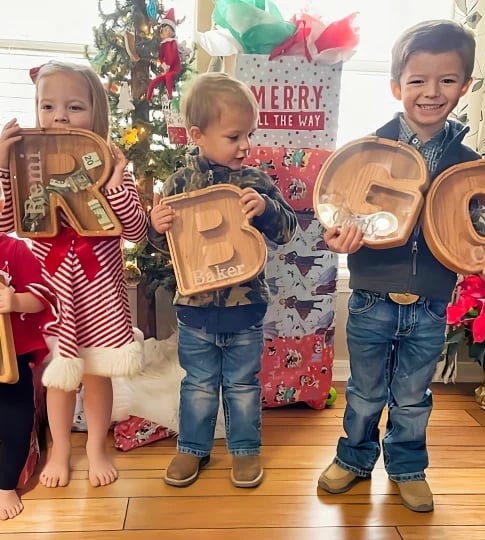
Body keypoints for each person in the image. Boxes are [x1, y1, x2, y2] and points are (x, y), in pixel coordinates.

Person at [316, 20, 485, 512]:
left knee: (412, 395)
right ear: (396, 86)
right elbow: (338, 214)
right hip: (369, 297)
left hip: (429, 304)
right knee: (363, 390)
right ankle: (354, 458)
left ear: (466, 86)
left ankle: (407, 468)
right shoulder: (367, 153)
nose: (432, 92)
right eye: (418, 81)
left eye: (447, 80)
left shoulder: (468, 165)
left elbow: (474, 231)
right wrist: (337, 235)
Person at [0, 61, 148, 488]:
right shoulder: (28, 165)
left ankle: (96, 445)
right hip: (52, 289)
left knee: (97, 373)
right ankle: (61, 449)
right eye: (48, 106)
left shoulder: (111, 164)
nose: (59, 116)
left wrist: (118, 185)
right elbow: (7, 221)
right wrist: (3, 167)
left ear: (97, 116)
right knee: (59, 377)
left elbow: (136, 230)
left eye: (74, 107)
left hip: (99, 287)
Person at [148, 72, 297, 488]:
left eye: (249, 134)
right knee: (197, 384)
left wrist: (267, 208)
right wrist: (155, 229)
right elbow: (170, 254)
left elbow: (287, 232)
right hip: (194, 312)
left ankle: (245, 451)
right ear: (198, 135)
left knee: (242, 386)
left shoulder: (256, 182)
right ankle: (192, 449)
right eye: (234, 136)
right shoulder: (177, 185)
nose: (246, 145)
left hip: (245, 309)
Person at [0, 183, 58, 520]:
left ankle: (6, 485)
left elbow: (43, 297)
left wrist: (14, 300)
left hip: (11, 359)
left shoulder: (16, 250)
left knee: (16, 423)